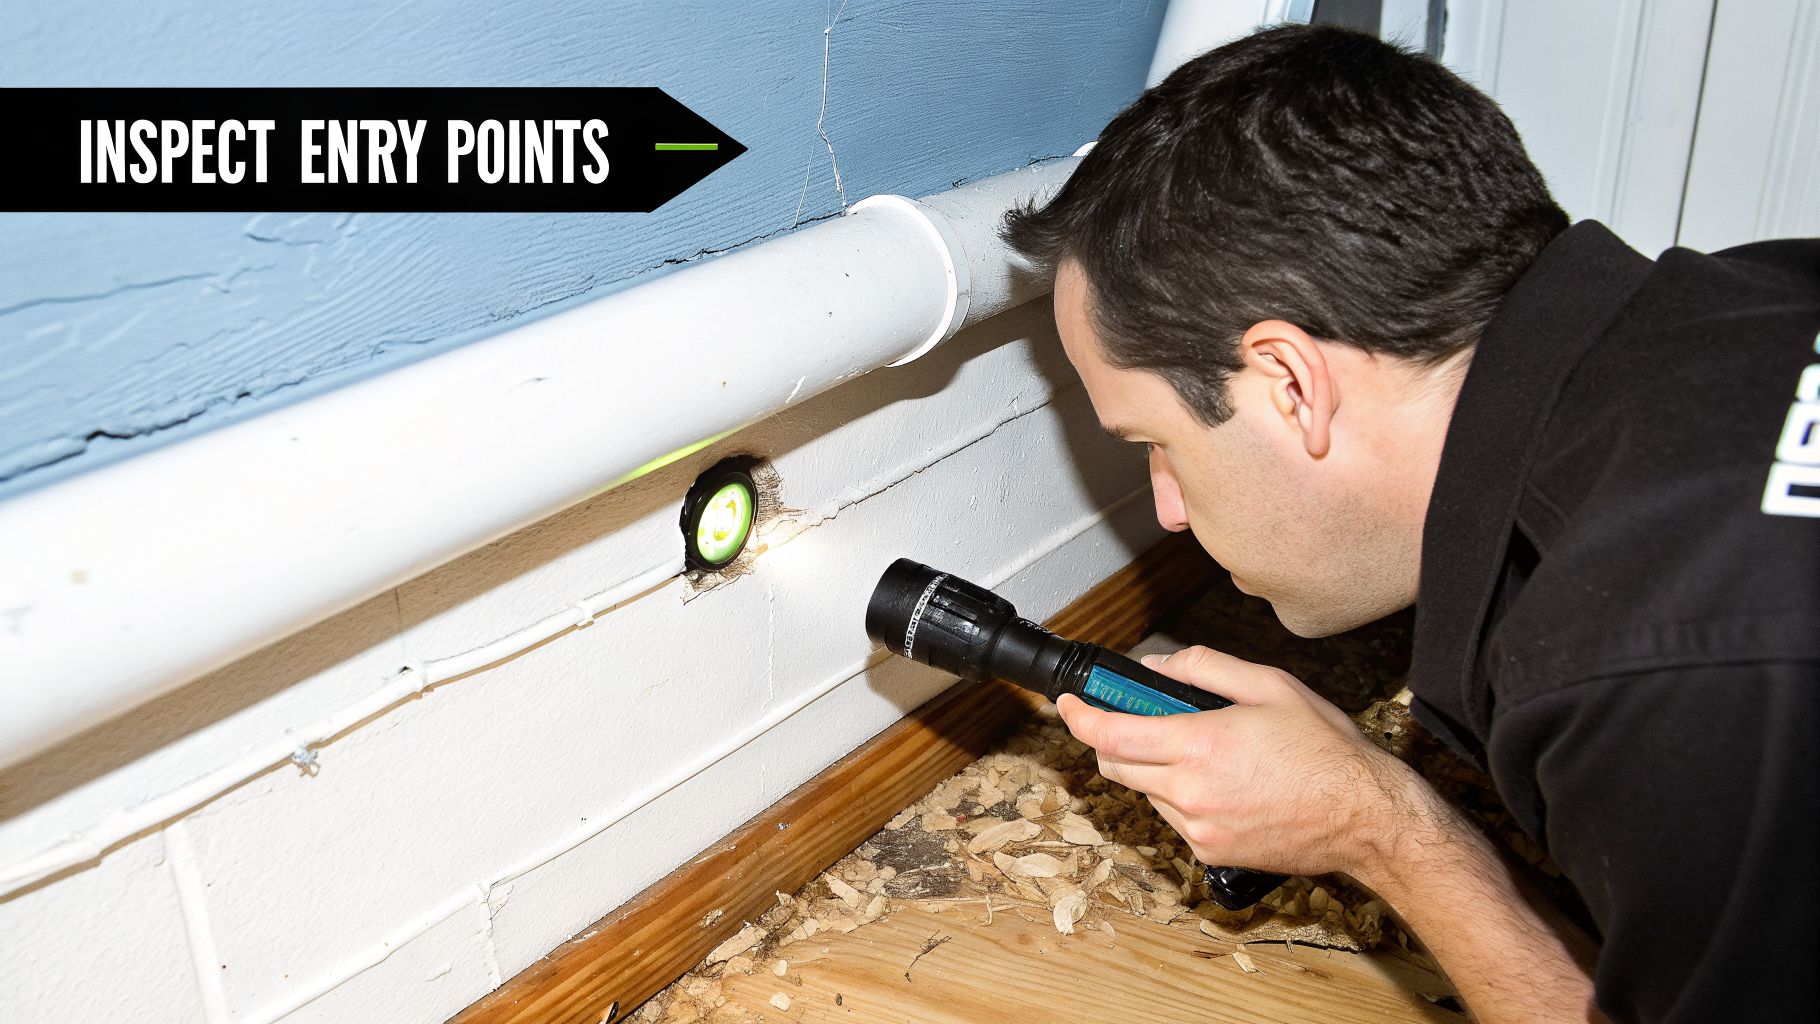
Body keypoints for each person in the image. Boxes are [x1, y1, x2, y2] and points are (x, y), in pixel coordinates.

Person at [1002, 23, 1819, 1024]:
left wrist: (1379, 829)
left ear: (1291, 385)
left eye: (1153, 440)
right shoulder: (1762, 294)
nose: (1168, 506)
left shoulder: (1657, 668)